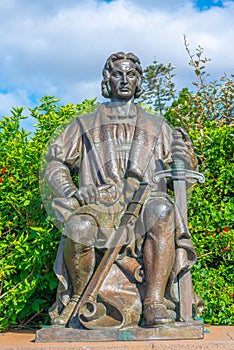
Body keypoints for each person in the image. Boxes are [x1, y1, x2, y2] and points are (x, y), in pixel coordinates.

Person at [45, 52, 200, 328]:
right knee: (79, 228)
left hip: (144, 208)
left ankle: (154, 302)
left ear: (139, 80)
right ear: (108, 79)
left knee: (162, 209)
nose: (125, 80)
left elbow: (181, 180)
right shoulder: (84, 124)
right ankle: (79, 301)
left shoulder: (158, 126)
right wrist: (72, 191)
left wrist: (184, 159)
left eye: (131, 74)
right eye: (118, 74)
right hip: (100, 208)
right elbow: (55, 162)